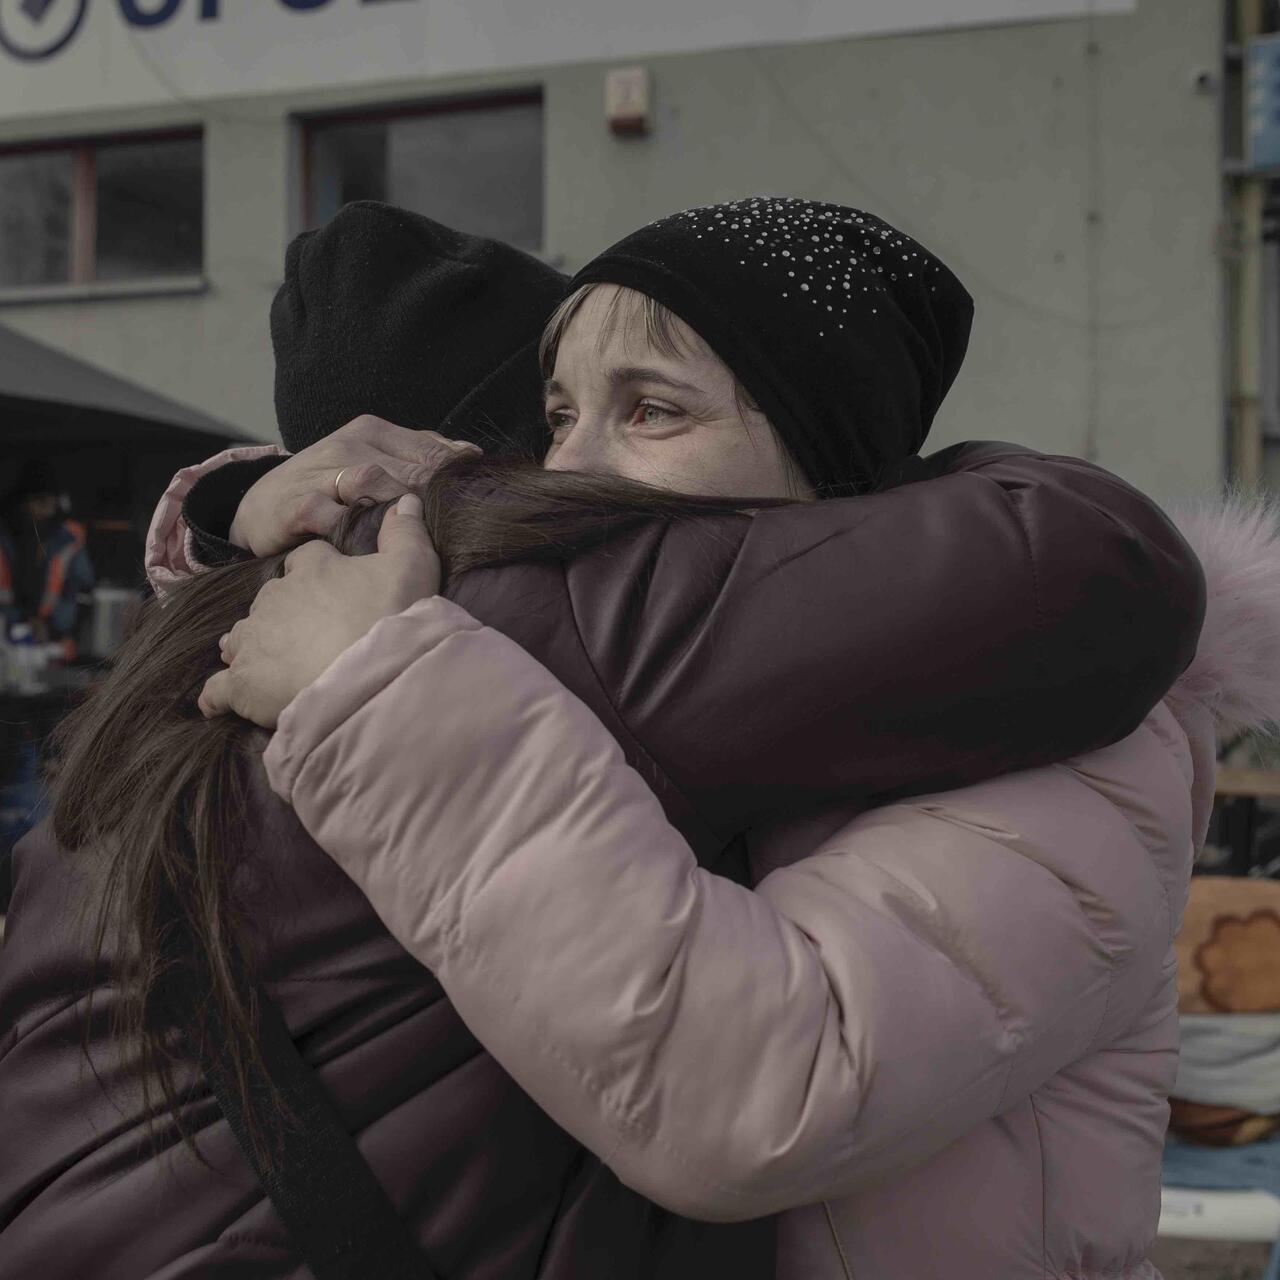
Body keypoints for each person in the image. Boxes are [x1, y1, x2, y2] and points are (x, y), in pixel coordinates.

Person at [0, 201, 1209, 1278]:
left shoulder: (1076, 752)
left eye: (651, 408)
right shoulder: (672, 667)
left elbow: (760, 1092)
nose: (564, 466)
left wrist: (359, 665)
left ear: (834, 494)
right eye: (557, 412)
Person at [0, 457, 94, 652]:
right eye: (39, 502)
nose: (46, 511)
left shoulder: (69, 539)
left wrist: (51, 628)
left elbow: (83, 593)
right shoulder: (6, 538)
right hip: (6, 640)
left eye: (51, 503)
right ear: (21, 504)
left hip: (54, 645)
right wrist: (19, 622)